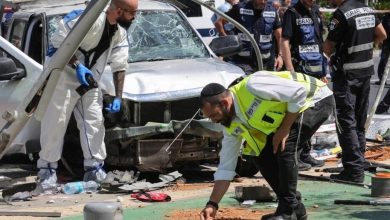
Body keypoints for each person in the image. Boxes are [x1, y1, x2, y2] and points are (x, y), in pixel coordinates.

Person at [199, 70, 334, 220]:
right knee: (260, 154)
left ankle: (287, 212)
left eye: (213, 115)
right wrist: (213, 204)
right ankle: (296, 209)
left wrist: (284, 129)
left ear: (225, 103)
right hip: (293, 109)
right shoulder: (230, 126)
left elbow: (299, 93)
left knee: (286, 147)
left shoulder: (252, 86)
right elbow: (226, 167)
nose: (213, 121)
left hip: (315, 99)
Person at [36, 0, 138, 192]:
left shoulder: (119, 32)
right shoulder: (85, 19)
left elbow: (120, 65)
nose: (134, 18)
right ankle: (47, 172)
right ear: (118, 10)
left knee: (94, 121)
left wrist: (118, 97)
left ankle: (95, 169)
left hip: (89, 80)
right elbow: (60, 44)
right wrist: (77, 66)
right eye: (132, 13)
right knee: (55, 123)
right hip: (62, 76)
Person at [323, 0, 386, 183]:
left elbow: (328, 47)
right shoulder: (368, 9)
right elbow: (381, 35)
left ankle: (353, 170)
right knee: (359, 119)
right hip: (366, 71)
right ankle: (360, 161)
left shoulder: (341, 14)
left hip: (347, 75)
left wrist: (335, 55)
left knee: (346, 121)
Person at [280, 0, 326, 171]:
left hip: (315, 70)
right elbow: (285, 41)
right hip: (300, 70)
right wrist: (291, 70)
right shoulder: (292, 12)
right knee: (299, 114)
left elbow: (319, 42)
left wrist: (323, 70)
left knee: (313, 114)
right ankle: (295, 155)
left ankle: (305, 153)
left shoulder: (315, 10)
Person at [215, 0, 284, 71]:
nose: (263, 2)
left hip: (265, 62)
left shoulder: (272, 11)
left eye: (265, 0)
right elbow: (219, 22)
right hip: (242, 62)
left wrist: (280, 56)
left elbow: (279, 35)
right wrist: (227, 41)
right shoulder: (240, 8)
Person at [376, 13, 390, 114]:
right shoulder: (387, 17)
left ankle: (383, 106)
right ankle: (383, 106)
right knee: (383, 62)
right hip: (387, 44)